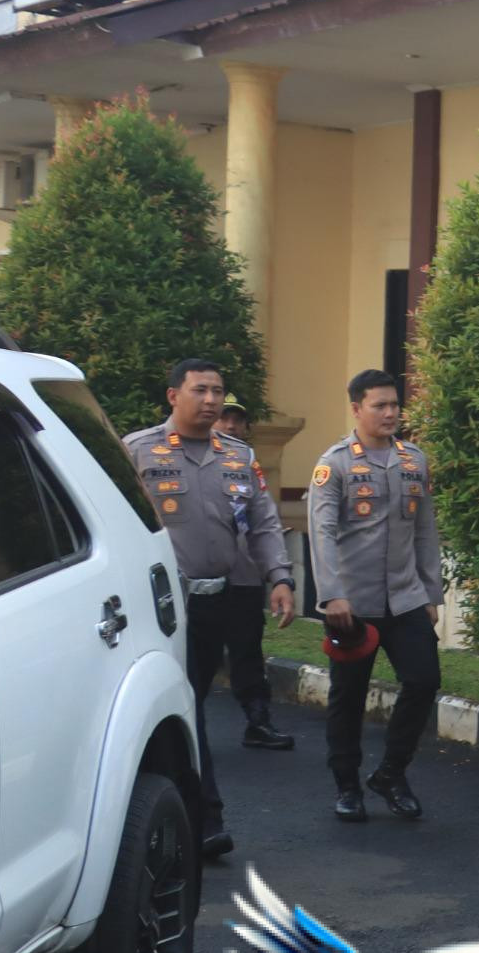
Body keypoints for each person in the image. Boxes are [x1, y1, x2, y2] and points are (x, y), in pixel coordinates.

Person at [122, 357, 297, 858]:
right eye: (200, 390)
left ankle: (166, 814)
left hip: (217, 599)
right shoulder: (138, 451)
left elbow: (263, 522)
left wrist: (280, 577)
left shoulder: (238, 456)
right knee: (187, 709)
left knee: (187, 707)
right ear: (173, 395)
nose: (211, 400)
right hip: (162, 608)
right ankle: (205, 821)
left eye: (217, 391)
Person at [307, 370, 441, 823]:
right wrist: (332, 595)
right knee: (349, 697)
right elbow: (322, 533)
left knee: (424, 681)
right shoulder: (335, 464)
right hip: (353, 605)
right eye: (379, 405)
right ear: (356, 409)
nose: (390, 413)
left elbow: (425, 531)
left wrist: (431, 593)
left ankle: (391, 774)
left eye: (394, 405)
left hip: (405, 597)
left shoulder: (413, 460)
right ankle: (347, 785)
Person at [210, 398, 294, 754]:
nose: (230, 426)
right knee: (192, 659)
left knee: (247, 652)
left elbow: (265, 521)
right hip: (193, 581)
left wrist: (279, 576)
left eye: (237, 420)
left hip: (243, 575)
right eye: (223, 418)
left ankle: (258, 721)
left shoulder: (246, 463)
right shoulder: (181, 459)